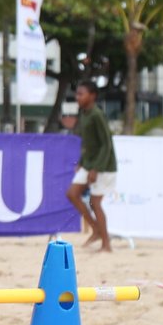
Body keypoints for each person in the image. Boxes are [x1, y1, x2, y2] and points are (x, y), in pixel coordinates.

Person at [65, 80, 116, 252]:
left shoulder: (96, 114)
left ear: (92, 96)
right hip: (89, 163)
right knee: (72, 194)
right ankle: (96, 229)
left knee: (95, 203)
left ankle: (106, 244)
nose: (77, 97)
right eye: (77, 93)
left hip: (103, 165)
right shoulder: (84, 114)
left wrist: (96, 168)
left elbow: (106, 144)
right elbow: (89, 144)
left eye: (81, 93)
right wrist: (82, 162)